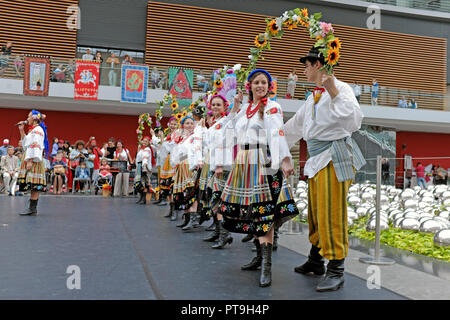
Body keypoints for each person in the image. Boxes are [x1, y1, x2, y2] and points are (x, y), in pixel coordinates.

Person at [283, 46, 366, 292]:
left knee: (331, 212)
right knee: (317, 212)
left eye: (306, 65)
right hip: (317, 159)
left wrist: (333, 92)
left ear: (318, 64)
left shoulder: (341, 89)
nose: (304, 69)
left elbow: (354, 122)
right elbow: (293, 128)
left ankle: (337, 268)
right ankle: (316, 260)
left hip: (335, 157)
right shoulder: (312, 98)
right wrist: (274, 144)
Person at [217, 69, 299, 287]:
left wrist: (285, 159)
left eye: (264, 82)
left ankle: (267, 266)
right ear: (249, 86)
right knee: (252, 212)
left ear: (269, 86)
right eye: (256, 82)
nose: (260, 86)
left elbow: (277, 133)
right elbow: (229, 134)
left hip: (263, 160)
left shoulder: (273, 106)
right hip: (244, 162)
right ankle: (259, 257)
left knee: (264, 212)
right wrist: (234, 108)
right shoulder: (244, 109)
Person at [17, 110, 50, 215]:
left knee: (34, 184)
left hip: (33, 159)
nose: (27, 119)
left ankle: (32, 209)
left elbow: (35, 145)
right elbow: (26, 143)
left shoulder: (37, 130)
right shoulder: (33, 130)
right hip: (30, 157)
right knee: (33, 184)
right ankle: (32, 209)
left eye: (29, 116)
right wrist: (21, 131)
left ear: (35, 118)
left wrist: (30, 160)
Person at [159, 117, 178, 212]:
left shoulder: (178, 134)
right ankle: (171, 210)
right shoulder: (169, 135)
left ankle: (174, 211)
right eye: (171, 124)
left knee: (173, 186)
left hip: (174, 160)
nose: (173, 126)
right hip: (168, 160)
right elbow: (164, 147)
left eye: (174, 124)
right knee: (168, 186)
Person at [134, 137, 154, 204]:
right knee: (139, 183)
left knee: (144, 183)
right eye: (143, 141)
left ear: (148, 143)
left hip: (144, 167)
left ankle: (144, 198)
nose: (144, 142)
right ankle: (141, 197)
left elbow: (145, 157)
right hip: (140, 167)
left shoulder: (147, 149)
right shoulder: (142, 149)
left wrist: (144, 166)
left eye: (146, 141)